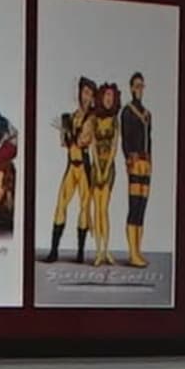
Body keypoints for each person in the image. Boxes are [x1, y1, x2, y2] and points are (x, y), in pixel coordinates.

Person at [46, 80, 102, 265]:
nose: (86, 97)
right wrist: (65, 131)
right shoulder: (72, 116)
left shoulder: (92, 118)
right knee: (61, 204)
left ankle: (79, 253)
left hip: (84, 165)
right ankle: (54, 250)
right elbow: (64, 143)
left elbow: (82, 140)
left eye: (90, 94)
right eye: (84, 92)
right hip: (71, 164)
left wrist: (68, 130)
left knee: (84, 208)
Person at [81, 81, 123, 265]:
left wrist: (106, 168)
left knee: (104, 210)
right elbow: (93, 147)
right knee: (96, 209)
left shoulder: (115, 120)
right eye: (106, 95)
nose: (108, 99)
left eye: (111, 97)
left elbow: (114, 146)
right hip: (96, 167)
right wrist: (97, 167)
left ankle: (106, 249)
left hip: (109, 167)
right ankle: (98, 251)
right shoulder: (94, 119)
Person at [118, 71, 157, 269]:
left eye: (142, 86)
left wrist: (150, 159)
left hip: (145, 162)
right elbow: (125, 138)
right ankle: (132, 252)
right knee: (134, 206)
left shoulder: (147, 114)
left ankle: (138, 250)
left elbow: (148, 140)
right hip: (134, 161)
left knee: (142, 206)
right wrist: (128, 159)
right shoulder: (127, 111)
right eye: (136, 86)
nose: (139, 89)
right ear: (131, 88)